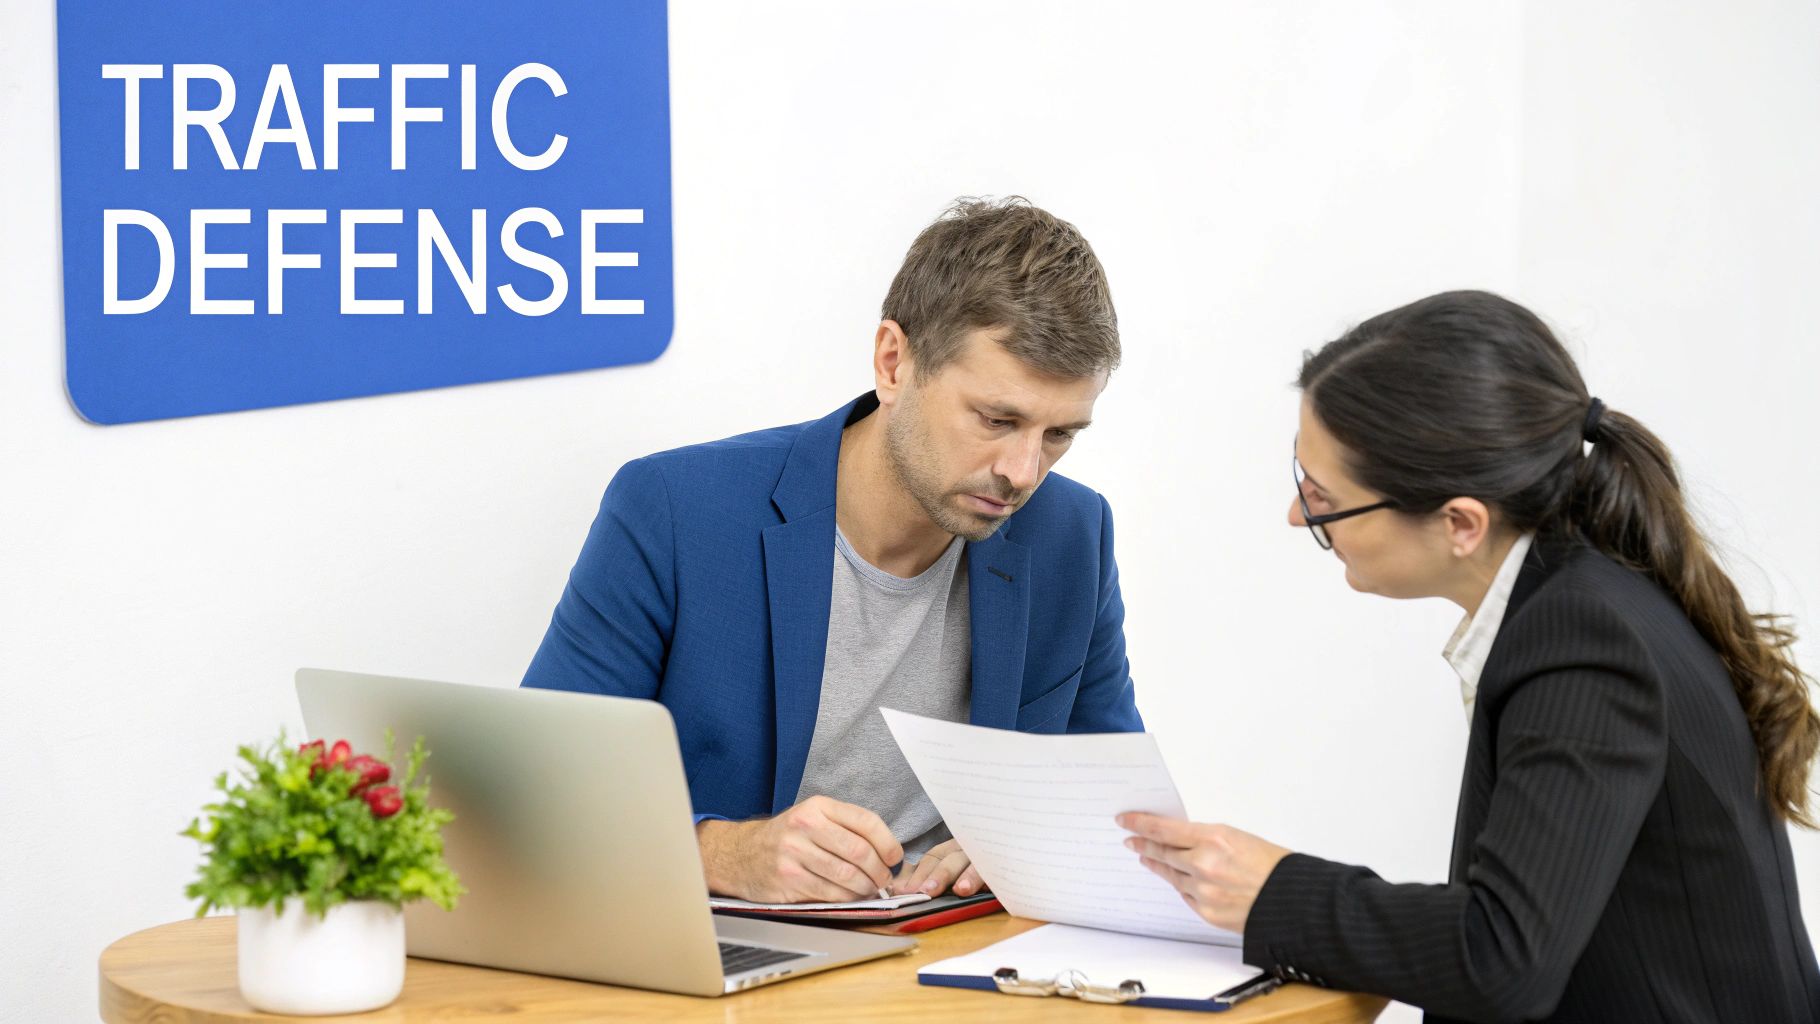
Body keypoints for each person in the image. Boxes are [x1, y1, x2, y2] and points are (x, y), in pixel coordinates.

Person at [1120, 290, 1820, 1023]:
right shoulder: (1588, 596)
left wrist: (1275, 893)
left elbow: (1503, 959)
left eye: (1325, 497)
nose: (1299, 515)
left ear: (1460, 523)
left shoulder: (1584, 641)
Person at [524, 197, 1142, 905]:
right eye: (997, 419)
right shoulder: (673, 509)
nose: (1024, 470)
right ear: (893, 362)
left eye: (1059, 434)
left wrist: (1021, 840)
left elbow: (1118, 811)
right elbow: (535, 787)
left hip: (956, 951)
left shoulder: (1072, 535)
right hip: (734, 957)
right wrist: (721, 852)